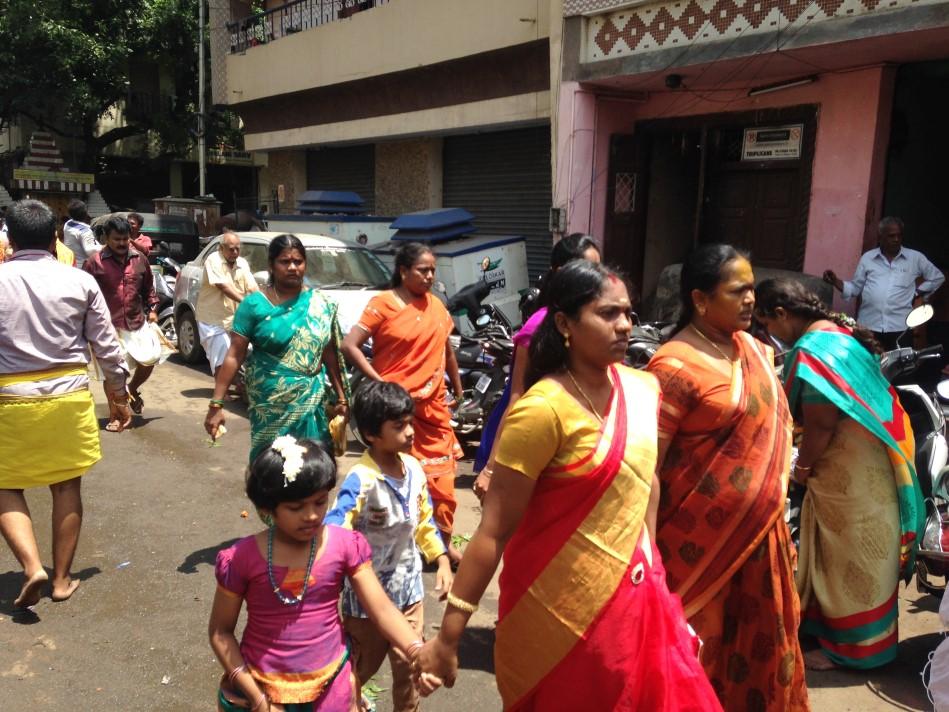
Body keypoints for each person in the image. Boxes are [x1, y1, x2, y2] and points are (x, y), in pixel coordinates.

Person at [417, 261, 722, 710]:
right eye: (607, 314)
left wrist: (647, 567)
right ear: (564, 324)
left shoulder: (642, 391)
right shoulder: (543, 411)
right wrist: (449, 636)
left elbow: (647, 483)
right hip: (554, 608)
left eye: (628, 313)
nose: (624, 326)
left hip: (635, 595)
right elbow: (494, 531)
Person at [646, 244, 809, 711]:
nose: (751, 299)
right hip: (695, 549)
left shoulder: (756, 351)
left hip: (762, 543)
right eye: (738, 291)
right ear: (700, 299)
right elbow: (650, 466)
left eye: (752, 289)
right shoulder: (674, 364)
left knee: (765, 650)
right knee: (700, 652)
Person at [755, 278, 923, 671]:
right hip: (872, 461)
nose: (769, 334)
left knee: (849, 555)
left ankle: (848, 651)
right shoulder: (838, 333)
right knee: (864, 551)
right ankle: (864, 641)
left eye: (767, 325)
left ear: (781, 314)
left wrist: (801, 470)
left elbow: (821, 426)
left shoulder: (813, 352)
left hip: (844, 468)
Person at [208, 436, 441, 711]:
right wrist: (258, 699)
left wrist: (417, 651)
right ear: (267, 509)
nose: (311, 516)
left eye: (320, 502)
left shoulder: (344, 545)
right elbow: (220, 631)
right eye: (296, 508)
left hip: (332, 685)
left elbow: (382, 609)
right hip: (262, 686)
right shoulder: (242, 559)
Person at [0, 199, 131, 608]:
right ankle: (59, 580)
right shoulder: (79, 281)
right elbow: (106, 346)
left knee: (4, 485)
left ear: (11, 239)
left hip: (9, 397)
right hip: (68, 395)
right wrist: (119, 393)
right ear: (56, 237)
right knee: (66, 484)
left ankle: (31, 564)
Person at [326, 381, 452, 712]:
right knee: (356, 671)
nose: (410, 432)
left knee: (411, 673)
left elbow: (424, 520)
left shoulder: (413, 469)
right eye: (399, 426)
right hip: (365, 604)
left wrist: (440, 559)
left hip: (409, 596)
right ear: (371, 434)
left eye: (410, 422)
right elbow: (334, 528)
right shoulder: (361, 480)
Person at [342, 242, 464, 563]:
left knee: (443, 482)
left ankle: (443, 543)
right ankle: (397, 543)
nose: (429, 277)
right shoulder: (382, 304)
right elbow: (350, 345)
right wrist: (378, 380)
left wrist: (459, 386)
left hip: (434, 408)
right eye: (423, 270)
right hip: (396, 410)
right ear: (403, 271)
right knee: (395, 478)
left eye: (433, 271)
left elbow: (446, 349)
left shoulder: (437, 306)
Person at [472, 233, 601, 500]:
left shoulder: (596, 324)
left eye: (599, 269)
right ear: (560, 272)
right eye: (588, 269)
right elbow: (517, 395)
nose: (596, 277)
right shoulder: (540, 326)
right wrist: (492, 468)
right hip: (535, 442)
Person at [204, 235, 349, 462]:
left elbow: (329, 353)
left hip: (311, 399)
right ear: (271, 265)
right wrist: (216, 404)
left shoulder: (321, 304)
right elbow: (234, 354)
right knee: (272, 467)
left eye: (298, 261)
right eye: (285, 262)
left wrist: (341, 398)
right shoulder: (253, 305)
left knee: (314, 468)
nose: (292, 267)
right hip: (270, 402)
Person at [83, 215, 160, 426]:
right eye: (117, 239)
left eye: (125, 239)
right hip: (107, 326)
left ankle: (132, 389)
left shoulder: (140, 259)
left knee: (151, 358)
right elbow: (84, 297)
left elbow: (148, 289)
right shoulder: (93, 263)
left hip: (136, 321)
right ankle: (115, 415)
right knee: (114, 373)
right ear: (106, 238)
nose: (122, 243)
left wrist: (153, 308)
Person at [823, 216, 944, 350]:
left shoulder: (915, 258)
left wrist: (918, 292)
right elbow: (855, 288)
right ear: (880, 237)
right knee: (868, 367)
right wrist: (836, 281)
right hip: (869, 327)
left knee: (899, 369)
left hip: (900, 328)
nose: (896, 239)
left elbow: (937, 277)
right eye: (891, 236)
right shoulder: (868, 258)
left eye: (899, 235)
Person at [196, 231, 258, 376]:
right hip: (213, 319)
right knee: (221, 356)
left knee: (239, 355)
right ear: (221, 248)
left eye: (237, 249)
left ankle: (238, 385)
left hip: (235, 319)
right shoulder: (213, 260)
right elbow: (223, 287)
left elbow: (252, 287)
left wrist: (263, 303)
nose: (235, 252)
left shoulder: (242, 263)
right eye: (231, 249)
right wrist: (245, 302)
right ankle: (222, 394)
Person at [62, 199, 100, 268]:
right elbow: (91, 251)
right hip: (81, 267)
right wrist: (105, 247)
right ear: (86, 213)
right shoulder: (84, 231)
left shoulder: (68, 224)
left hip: (68, 263)